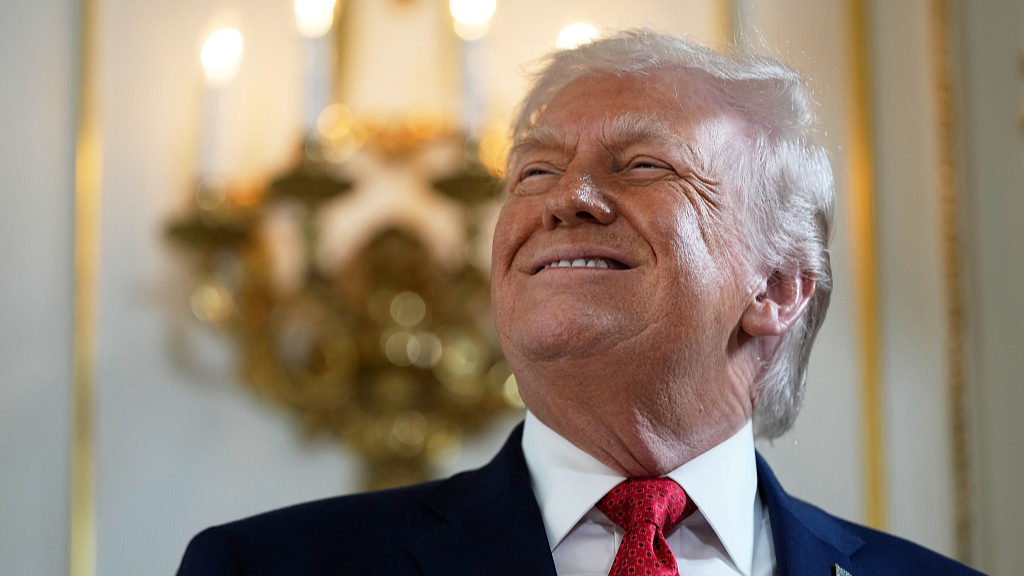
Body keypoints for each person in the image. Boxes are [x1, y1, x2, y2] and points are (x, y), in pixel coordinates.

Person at [177, 29, 982, 576]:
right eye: (534, 171)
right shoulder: (269, 567)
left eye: (640, 165)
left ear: (774, 289)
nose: (565, 200)